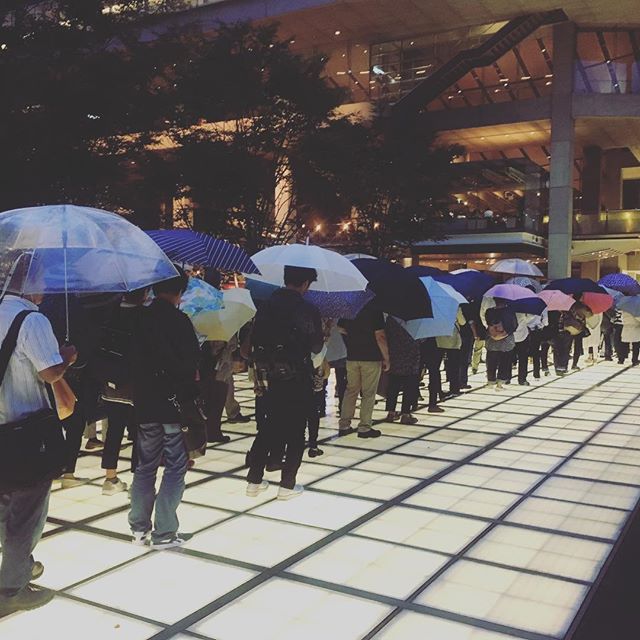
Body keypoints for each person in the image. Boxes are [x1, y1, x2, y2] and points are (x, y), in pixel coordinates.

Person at [0, 273, 77, 616]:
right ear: (31, 284)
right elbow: (50, 373)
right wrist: (67, 356)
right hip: (25, 431)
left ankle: (17, 566)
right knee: (27, 513)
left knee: (4, 506)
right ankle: (12, 588)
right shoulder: (32, 319)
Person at [129, 267, 199, 548]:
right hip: (173, 403)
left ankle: (138, 528)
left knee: (145, 465)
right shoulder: (180, 321)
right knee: (175, 465)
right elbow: (192, 362)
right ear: (179, 292)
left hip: (144, 402)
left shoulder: (139, 319)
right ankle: (165, 531)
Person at [247, 266, 323, 500]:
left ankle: (254, 481)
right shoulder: (306, 309)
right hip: (297, 377)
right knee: (296, 430)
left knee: (268, 428)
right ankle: (287, 485)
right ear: (306, 284)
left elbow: (252, 340)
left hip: (269, 376)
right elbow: (316, 347)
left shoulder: (266, 306)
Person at [94, 288, 148, 495]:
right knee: (139, 432)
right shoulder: (144, 316)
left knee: (114, 430)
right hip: (136, 384)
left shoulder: (110, 313)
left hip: (111, 382)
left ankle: (110, 478)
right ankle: (137, 479)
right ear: (142, 294)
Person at [338, 301, 390, 438]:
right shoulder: (375, 309)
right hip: (371, 357)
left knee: (351, 390)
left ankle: (344, 425)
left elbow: (340, 328)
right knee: (368, 393)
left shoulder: (349, 306)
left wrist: (351, 339)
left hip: (352, 356)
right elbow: (380, 336)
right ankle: (364, 427)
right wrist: (387, 358)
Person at [384, 317, 420, 425]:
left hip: (394, 355)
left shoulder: (390, 319)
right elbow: (422, 338)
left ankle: (391, 412)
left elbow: (387, 335)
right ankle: (405, 414)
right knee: (409, 386)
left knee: (393, 385)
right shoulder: (416, 319)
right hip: (411, 356)